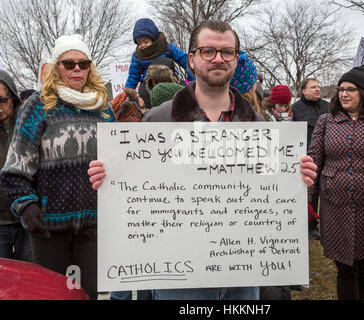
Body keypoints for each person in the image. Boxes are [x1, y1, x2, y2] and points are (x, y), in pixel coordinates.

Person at [87, 20, 318, 300]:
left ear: (236, 60)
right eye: (208, 51)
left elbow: (271, 188)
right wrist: (109, 177)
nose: (218, 58)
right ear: (192, 60)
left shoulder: (258, 126)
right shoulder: (157, 120)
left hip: (243, 275)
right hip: (178, 279)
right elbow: (135, 191)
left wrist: (296, 176)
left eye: (227, 52)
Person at [0, 34, 116, 300]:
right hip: (48, 229)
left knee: (87, 295)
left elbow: (121, 164)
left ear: (90, 69)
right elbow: (14, 167)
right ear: (56, 68)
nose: (77, 68)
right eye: (69, 63)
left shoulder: (105, 110)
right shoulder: (39, 106)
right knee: (50, 295)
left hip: (94, 228)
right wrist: (27, 205)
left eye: (83, 64)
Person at [308, 65, 364, 300]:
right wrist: (307, 201)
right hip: (336, 206)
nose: (343, 94)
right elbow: (314, 161)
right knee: (345, 267)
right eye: (341, 89)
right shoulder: (327, 121)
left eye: (350, 89)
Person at [0, 70, 32, 263]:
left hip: (27, 217)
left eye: (2, 100)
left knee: (28, 280)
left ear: (13, 97)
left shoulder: (28, 125)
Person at [291, 78, 329, 240]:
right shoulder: (297, 108)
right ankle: (310, 227)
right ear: (304, 91)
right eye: (313, 87)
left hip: (328, 156)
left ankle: (329, 226)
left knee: (328, 194)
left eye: (318, 87)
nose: (317, 89)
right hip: (308, 157)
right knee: (310, 195)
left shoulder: (327, 107)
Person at [124, 18, 194, 96]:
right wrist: (128, 93)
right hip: (149, 85)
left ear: (153, 39)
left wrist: (194, 78)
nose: (142, 45)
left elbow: (185, 60)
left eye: (145, 42)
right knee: (143, 92)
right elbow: (133, 76)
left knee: (183, 92)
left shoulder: (167, 48)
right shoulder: (138, 56)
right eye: (139, 44)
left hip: (170, 80)